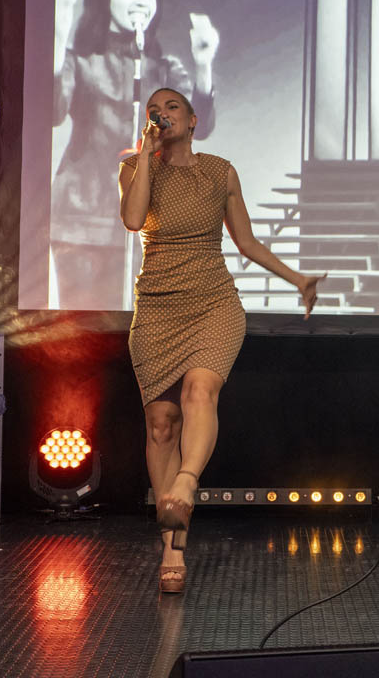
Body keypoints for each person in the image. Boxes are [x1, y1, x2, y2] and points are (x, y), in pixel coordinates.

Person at [118, 87, 322, 594]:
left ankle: (187, 482)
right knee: (161, 425)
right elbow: (133, 220)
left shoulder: (220, 171)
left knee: (199, 391)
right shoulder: (135, 167)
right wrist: (145, 156)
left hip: (213, 303)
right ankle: (173, 547)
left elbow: (245, 241)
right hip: (157, 307)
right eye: (154, 110)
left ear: (193, 120)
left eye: (172, 107)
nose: (161, 114)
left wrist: (297, 278)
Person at [53, 0, 220, 310]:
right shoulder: (82, 60)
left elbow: (199, 127)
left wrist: (203, 65)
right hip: (83, 219)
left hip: (149, 222)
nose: (142, 0)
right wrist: (58, 42)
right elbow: (52, 110)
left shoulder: (163, 69)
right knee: (83, 332)